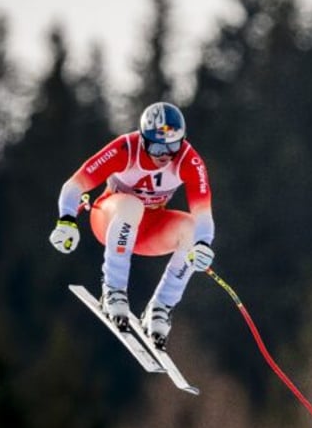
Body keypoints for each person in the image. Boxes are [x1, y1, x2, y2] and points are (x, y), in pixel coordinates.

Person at [49, 101, 215, 349]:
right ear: (144, 139)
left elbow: (204, 215)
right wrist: (66, 220)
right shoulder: (126, 149)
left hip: (149, 230)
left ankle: (160, 308)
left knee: (191, 230)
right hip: (110, 219)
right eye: (158, 147)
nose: (165, 156)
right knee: (132, 207)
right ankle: (113, 290)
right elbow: (74, 185)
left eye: (173, 146)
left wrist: (202, 245)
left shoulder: (188, 161)